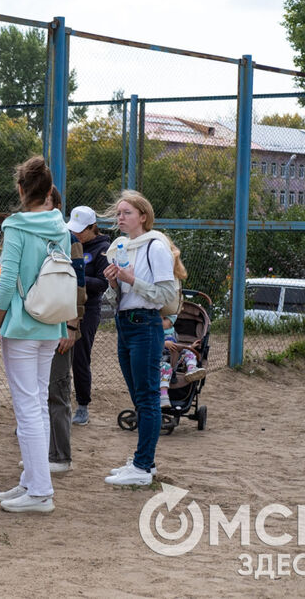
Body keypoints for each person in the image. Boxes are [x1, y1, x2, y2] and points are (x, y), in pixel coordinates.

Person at [0, 156, 70, 514]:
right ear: (49, 191)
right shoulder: (61, 227)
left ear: (21, 190)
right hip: (51, 323)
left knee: (28, 408)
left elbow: (5, 284)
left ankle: (39, 491)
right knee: (35, 404)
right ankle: (32, 482)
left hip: (21, 325)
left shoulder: (17, 227)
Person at [102, 190, 185, 486]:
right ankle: (143, 461)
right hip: (125, 324)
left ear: (143, 217)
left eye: (126, 213)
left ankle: (141, 466)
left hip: (146, 324)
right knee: (139, 397)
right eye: (118, 213)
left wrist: (131, 280)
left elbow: (165, 294)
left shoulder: (155, 246)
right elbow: (115, 298)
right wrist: (114, 282)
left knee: (148, 397)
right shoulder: (120, 246)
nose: (120, 218)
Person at [46, 188, 86, 474]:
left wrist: (71, 326)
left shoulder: (69, 239)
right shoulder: (27, 232)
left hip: (60, 325)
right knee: (37, 394)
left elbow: (78, 287)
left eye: (44, 200)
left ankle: (61, 456)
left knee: (58, 390)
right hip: (34, 327)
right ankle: (43, 453)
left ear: (57, 205)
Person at [68, 206, 110, 426]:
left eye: (81, 231)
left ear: (93, 227)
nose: (76, 235)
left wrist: (76, 276)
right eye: (74, 230)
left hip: (88, 310)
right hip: (64, 307)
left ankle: (82, 406)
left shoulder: (102, 249)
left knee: (80, 358)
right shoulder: (68, 242)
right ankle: (60, 403)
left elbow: (102, 284)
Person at [159, 315, 204, 406]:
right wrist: (163, 343)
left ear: (171, 323)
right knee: (166, 368)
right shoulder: (155, 332)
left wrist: (190, 347)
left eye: (164, 319)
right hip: (160, 361)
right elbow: (150, 345)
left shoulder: (174, 333)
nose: (160, 320)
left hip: (174, 360)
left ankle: (191, 369)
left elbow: (178, 347)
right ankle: (163, 396)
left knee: (189, 352)